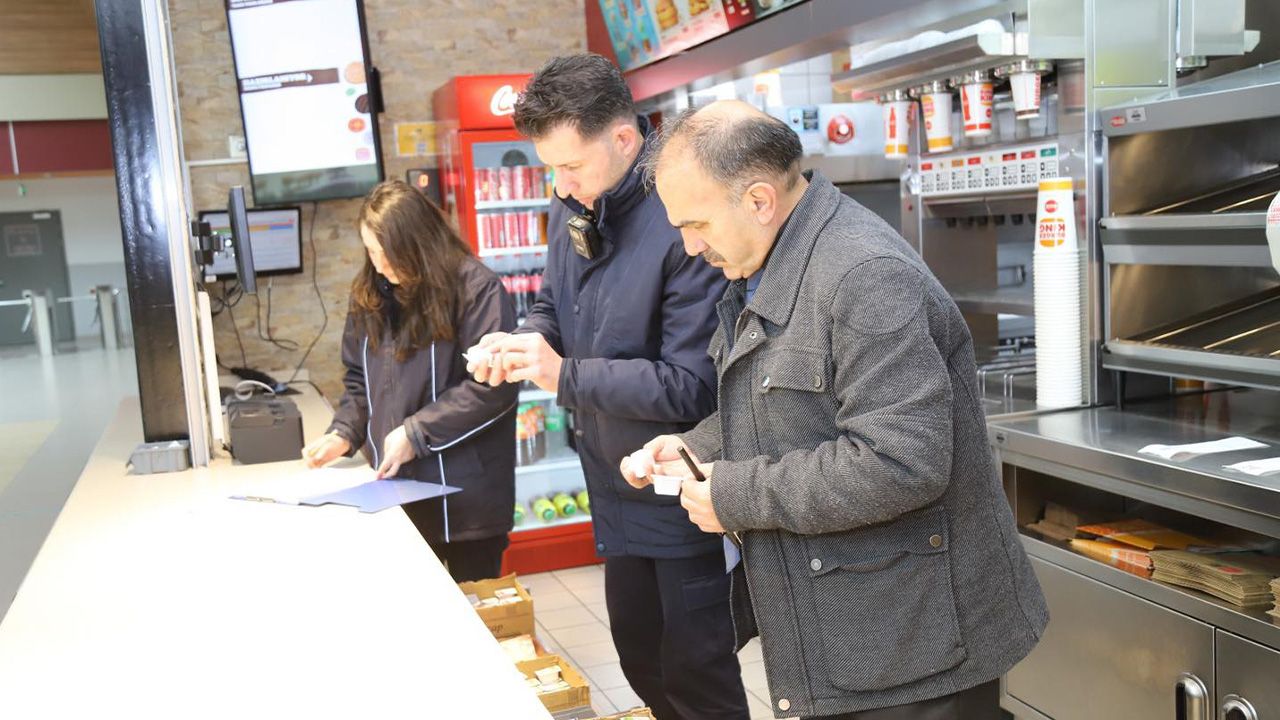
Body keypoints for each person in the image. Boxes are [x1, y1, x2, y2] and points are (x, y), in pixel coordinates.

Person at [623, 100, 1049, 720]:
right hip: (860, 629)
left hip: (917, 648)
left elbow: (901, 462)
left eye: (697, 224)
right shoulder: (768, 262)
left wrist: (735, 494)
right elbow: (788, 402)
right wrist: (699, 448)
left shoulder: (863, 275)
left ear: (760, 200)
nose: (690, 247)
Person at [465, 54, 748, 720]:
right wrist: (523, 342)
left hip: (680, 495)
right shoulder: (575, 206)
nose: (560, 183)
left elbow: (692, 386)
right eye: (551, 168)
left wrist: (562, 374)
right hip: (611, 485)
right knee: (640, 660)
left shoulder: (682, 222)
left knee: (697, 675)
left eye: (571, 165)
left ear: (624, 139)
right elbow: (552, 306)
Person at [304, 180, 518, 582]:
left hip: (466, 502)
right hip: (396, 495)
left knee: (472, 612)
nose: (380, 265)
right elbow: (359, 379)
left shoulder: (476, 289)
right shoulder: (371, 293)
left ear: (419, 243)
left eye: (388, 253)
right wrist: (344, 432)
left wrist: (415, 433)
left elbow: (493, 388)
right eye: (371, 252)